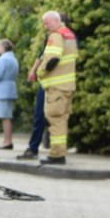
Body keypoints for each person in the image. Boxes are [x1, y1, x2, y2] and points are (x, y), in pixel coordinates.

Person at [18, 10, 77, 165]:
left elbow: (52, 59)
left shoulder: (56, 36)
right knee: (61, 121)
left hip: (56, 86)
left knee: (55, 120)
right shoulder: (69, 35)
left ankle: (56, 155)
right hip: (67, 86)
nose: (45, 26)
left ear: (56, 20)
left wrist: (40, 72)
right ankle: (59, 152)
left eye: (47, 22)